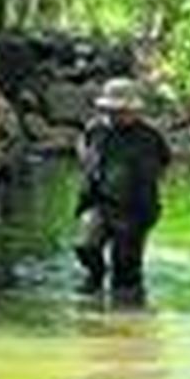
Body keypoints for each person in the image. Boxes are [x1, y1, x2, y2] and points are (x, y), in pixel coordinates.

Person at [74, 77, 172, 299]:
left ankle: (129, 319)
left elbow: (165, 163)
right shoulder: (95, 129)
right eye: (112, 110)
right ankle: (95, 277)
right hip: (99, 202)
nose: (117, 115)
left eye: (123, 110)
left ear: (135, 111)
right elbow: (83, 153)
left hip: (135, 210)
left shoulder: (150, 136)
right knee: (85, 246)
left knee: (126, 273)